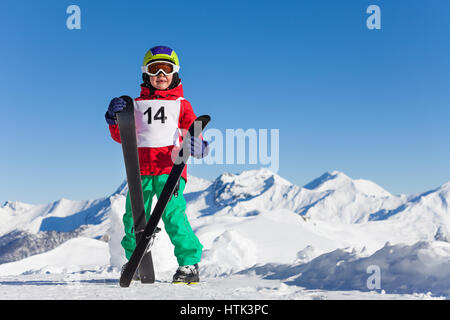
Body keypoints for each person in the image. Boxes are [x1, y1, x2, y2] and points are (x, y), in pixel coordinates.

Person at [105, 45, 209, 284]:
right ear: (146, 74)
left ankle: (189, 264)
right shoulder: (135, 105)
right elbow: (123, 136)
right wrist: (114, 119)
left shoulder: (181, 104)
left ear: (175, 73)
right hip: (139, 171)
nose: (161, 74)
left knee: (174, 216)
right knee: (133, 219)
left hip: (169, 170)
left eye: (167, 69)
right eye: (155, 69)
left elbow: (192, 130)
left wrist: (198, 146)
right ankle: (134, 260)